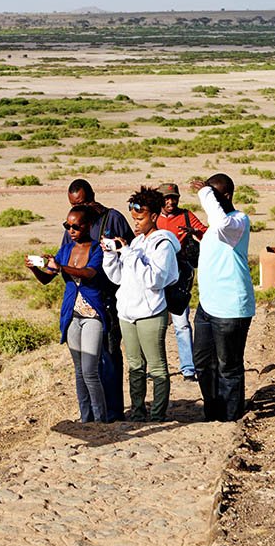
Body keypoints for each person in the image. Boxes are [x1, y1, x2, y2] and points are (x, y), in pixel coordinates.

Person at [101, 186, 180, 422]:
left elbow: (154, 280)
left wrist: (127, 253)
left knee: (156, 367)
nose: (135, 223)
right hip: (127, 312)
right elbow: (118, 278)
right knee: (135, 366)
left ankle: (157, 415)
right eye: (134, 218)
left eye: (140, 218)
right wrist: (110, 255)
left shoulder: (163, 244)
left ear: (154, 216)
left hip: (150, 312)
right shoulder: (135, 243)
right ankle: (137, 413)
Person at [28, 205, 108, 423]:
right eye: (67, 226)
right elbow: (47, 279)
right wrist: (35, 268)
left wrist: (61, 268)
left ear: (88, 226)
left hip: (92, 315)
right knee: (79, 371)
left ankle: (101, 419)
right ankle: (85, 418)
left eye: (76, 226)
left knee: (90, 370)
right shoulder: (65, 250)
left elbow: (89, 273)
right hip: (72, 315)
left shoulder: (96, 249)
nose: (71, 230)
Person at [63, 179, 133, 421]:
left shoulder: (112, 219)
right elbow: (66, 258)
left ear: (93, 196)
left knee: (110, 355)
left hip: (109, 300)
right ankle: (91, 415)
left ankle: (113, 412)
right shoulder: (73, 224)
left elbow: (131, 253)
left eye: (82, 202)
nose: (80, 207)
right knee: (86, 363)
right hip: (82, 304)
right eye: (74, 204)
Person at [189, 173, 255, 422]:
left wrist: (205, 192)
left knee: (229, 367)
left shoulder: (238, 221)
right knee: (203, 363)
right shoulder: (219, 226)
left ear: (226, 196)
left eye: (214, 195)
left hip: (230, 308)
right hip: (207, 306)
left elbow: (220, 224)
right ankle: (213, 413)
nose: (210, 200)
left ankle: (230, 418)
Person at [155, 182, 208, 382]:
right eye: (166, 198)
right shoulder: (152, 217)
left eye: (174, 198)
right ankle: (157, 368)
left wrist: (194, 232)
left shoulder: (186, 216)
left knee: (181, 323)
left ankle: (188, 369)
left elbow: (206, 232)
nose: (170, 202)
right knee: (156, 324)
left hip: (180, 275)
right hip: (157, 275)